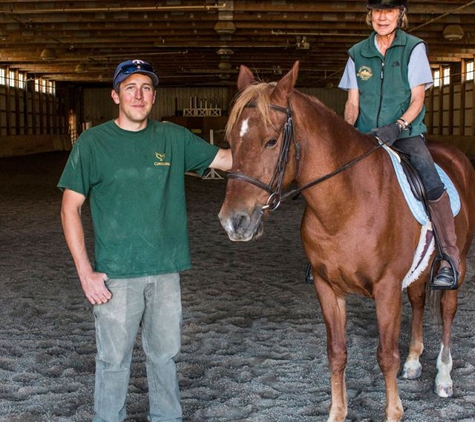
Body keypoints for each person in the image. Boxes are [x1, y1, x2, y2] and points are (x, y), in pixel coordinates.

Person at [58, 59, 232, 422]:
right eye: (130, 88)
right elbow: (69, 208)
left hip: (166, 271)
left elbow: (228, 159)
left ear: (154, 96)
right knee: (113, 360)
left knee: (164, 357)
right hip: (116, 275)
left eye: (146, 88)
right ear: (115, 95)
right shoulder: (93, 143)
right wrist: (85, 272)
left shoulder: (173, 138)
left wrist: (274, 141)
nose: (139, 95)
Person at [338, 0, 459, 289]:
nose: (383, 17)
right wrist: (347, 132)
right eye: (377, 11)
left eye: (389, 11)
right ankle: (327, 254)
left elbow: (418, 98)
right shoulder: (357, 53)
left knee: (430, 179)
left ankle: (447, 256)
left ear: (400, 15)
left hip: (405, 133)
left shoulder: (414, 48)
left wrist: (399, 126)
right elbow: (352, 102)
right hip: (365, 135)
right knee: (334, 178)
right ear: (369, 16)